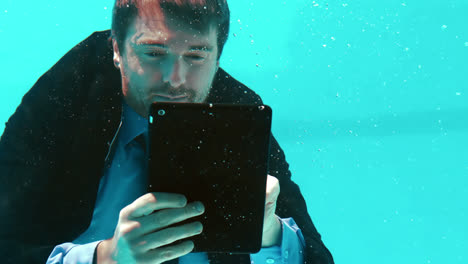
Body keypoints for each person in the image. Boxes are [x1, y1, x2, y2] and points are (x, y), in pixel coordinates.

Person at [0, 0, 334, 263]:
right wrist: (105, 258)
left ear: (218, 57)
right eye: (154, 53)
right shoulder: (69, 98)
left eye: (196, 56)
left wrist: (269, 234)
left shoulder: (236, 112)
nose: (175, 78)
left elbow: (317, 257)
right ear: (116, 49)